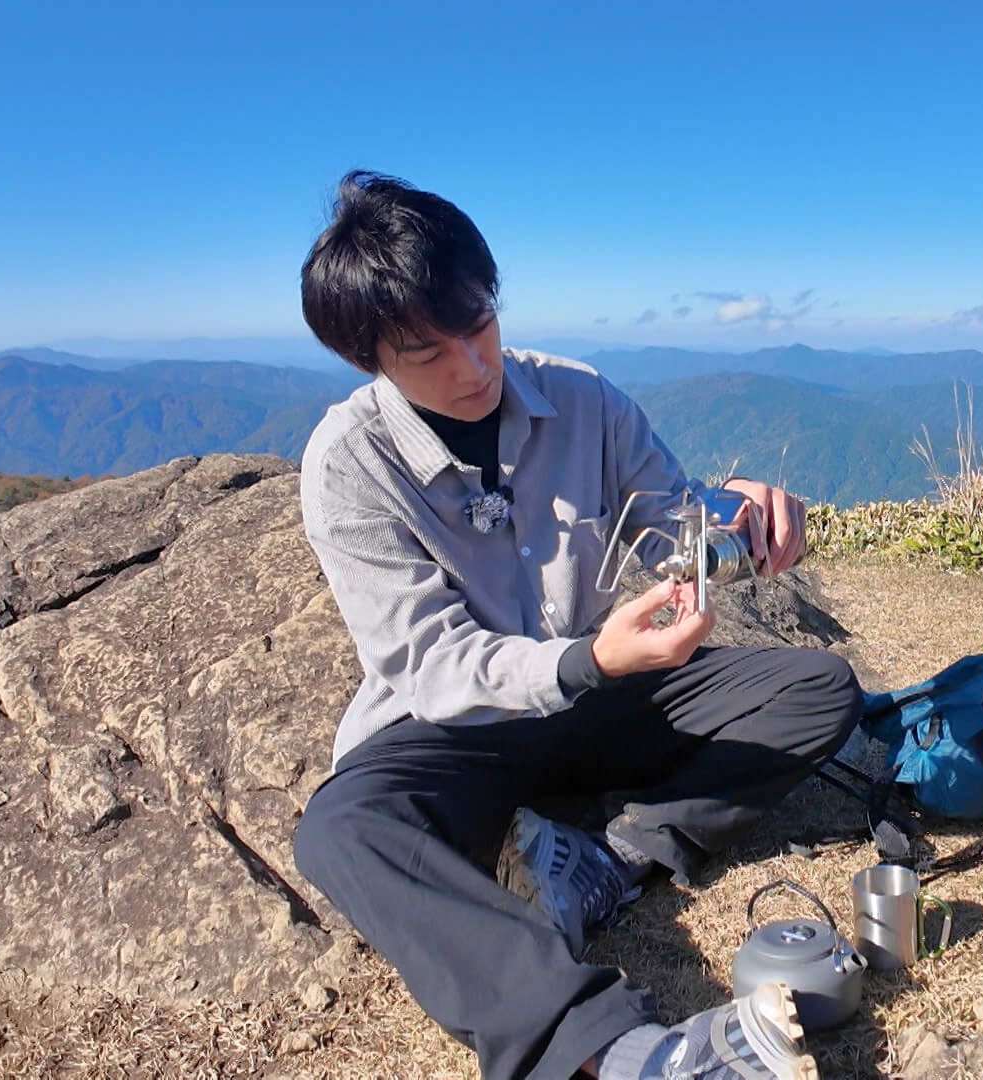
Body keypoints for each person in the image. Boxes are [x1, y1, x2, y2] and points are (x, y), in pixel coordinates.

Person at [290, 170, 861, 1080]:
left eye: (478, 325)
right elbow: (430, 664)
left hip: (606, 693)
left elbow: (675, 521)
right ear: (371, 359)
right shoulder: (348, 464)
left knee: (817, 686)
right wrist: (588, 658)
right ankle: (621, 1051)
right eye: (427, 353)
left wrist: (741, 518)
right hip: (459, 730)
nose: (472, 368)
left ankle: (610, 859)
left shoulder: (583, 399)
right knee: (339, 827)